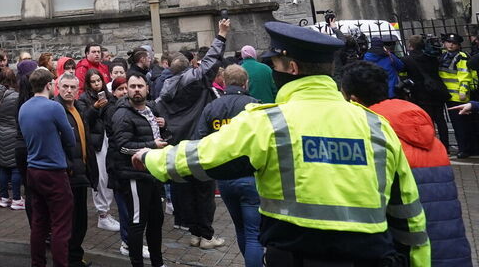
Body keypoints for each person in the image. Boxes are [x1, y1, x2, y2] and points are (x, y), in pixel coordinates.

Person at [133, 21, 430, 267]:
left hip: (295, 255)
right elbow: (408, 212)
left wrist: (149, 158)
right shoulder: (376, 125)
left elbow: (203, 156)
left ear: (290, 67)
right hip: (373, 256)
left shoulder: (270, 122)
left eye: (273, 63)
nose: (271, 69)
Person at [341, 61, 471, 267]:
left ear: (354, 99)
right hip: (451, 248)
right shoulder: (428, 134)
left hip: (410, 251)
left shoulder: (373, 137)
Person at [156, 18, 229, 248]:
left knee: (186, 191)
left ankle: (195, 234)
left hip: (178, 148)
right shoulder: (195, 82)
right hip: (199, 145)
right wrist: (221, 35)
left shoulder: (163, 93)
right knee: (205, 192)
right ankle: (206, 236)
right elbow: (211, 62)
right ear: (188, 67)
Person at [195, 64, 261, 267]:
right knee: (254, 233)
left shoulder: (212, 107)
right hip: (250, 176)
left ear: (224, 82)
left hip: (224, 179)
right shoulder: (254, 106)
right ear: (246, 82)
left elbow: (200, 140)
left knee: (240, 229)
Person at [17, 67, 76, 267]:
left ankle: (38, 264)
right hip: (54, 171)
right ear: (49, 85)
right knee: (60, 225)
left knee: (39, 223)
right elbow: (70, 139)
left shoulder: (24, 107)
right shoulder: (54, 107)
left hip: (33, 170)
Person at [110, 73, 168, 267]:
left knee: (156, 221)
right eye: (132, 86)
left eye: (139, 86)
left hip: (153, 173)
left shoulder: (151, 109)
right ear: (127, 89)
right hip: (134, 175)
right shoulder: (122, 114)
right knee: (137, 223)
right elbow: (123, 146)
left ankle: (157, 262)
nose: (136, 89)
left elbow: (164, 134)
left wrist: (165, 126)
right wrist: (151, 145)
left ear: (147, 88)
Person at [56, 71, 98, 266]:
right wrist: (69, 169)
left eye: (73, 87)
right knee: (69, 222)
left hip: (81, 173)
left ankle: (75, 257)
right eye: (65, 87)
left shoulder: (78, 109)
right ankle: (70, 260)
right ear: (58, 87)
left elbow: (85, 142)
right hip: (67, 175)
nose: (69, 90)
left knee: (80, 221)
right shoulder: (55, 110)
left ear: (78, 90)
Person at [76, 68, 119, 233]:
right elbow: (84, 119)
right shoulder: (83, 98)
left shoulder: (109, 96)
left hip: (109, 138)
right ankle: (103, 213)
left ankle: (107, 212)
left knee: (109, 175)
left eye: (98, 81)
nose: (96, 84)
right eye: (93, 81)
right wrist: (94, 107)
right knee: (100, 177)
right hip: (96, 142)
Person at [400, 34, 451, 148]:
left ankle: (432, 145)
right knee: (441, 119)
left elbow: (402, 72)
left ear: (410, 45)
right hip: (436, 90)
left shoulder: (407, 59)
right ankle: (445, 146)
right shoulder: (431, 56)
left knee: (428, 120)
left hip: (420, 93)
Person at [0, 67, 24, 211]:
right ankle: (16, 199)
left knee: (3, 167)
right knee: (15, 168)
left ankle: (4, 197)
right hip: (12, 133)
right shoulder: (15, 96)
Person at [439, 33, 476, 158]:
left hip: (459, 97)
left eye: (453, 43)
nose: (450, 45)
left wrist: (463, 91)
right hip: (448, 96)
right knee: (457, 125)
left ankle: (465, 149)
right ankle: (465, 147)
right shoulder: (443, 56)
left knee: (462, 125)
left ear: (458, 45)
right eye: (448, 42)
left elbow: (465, 75)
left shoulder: (462, 57)